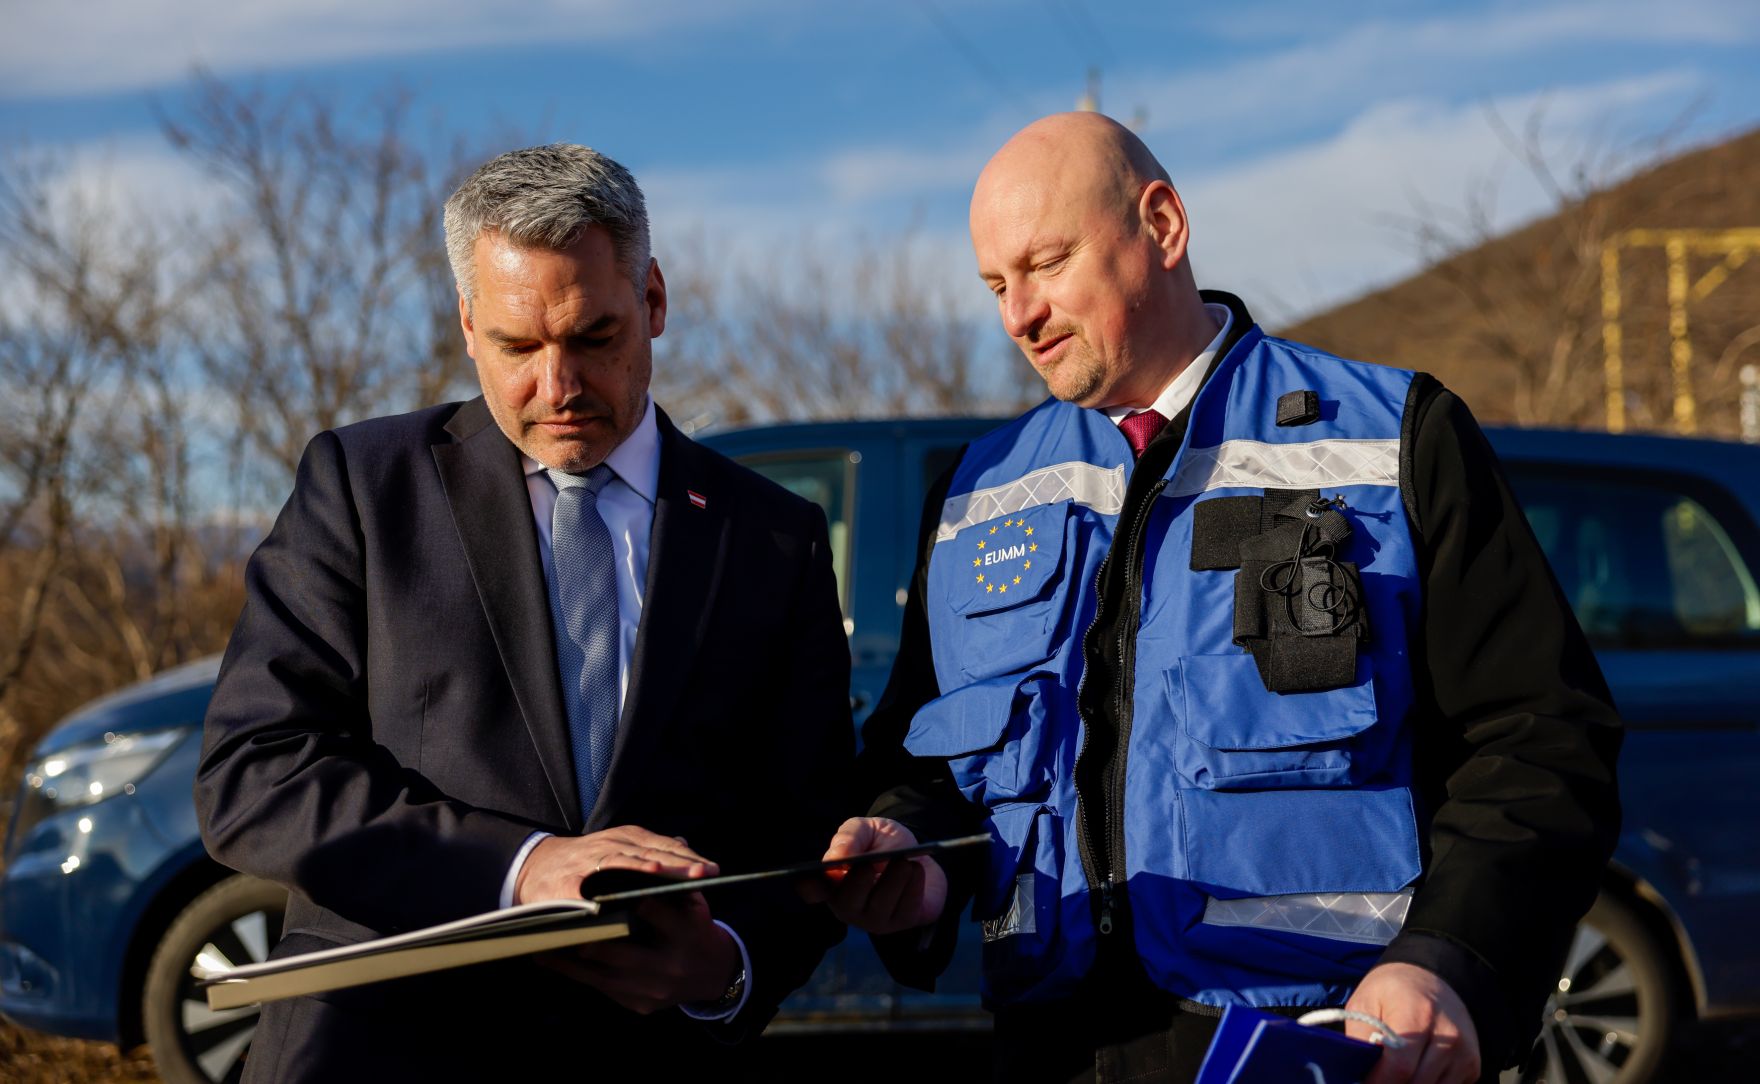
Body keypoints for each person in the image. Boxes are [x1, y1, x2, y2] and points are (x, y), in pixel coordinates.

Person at [811, 113, 1623, 1084]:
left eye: (1047, 263)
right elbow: (929, 762)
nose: (1015, 316)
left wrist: (1447, 959)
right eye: (994, 284)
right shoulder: (979, 490)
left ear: (1159, 226)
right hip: (1053, 1048)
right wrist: (913, 858)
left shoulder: (1389, 439)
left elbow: (1538, 738)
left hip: (1320, 1041)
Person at [196, 143, 853, 1081]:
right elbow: (253, 772)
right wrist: (521, 866)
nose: (559, 387)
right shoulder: (362, 488)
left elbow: (805, 817)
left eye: (594, 337)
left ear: (654, 302)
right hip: (376, 1053)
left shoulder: (774, 538)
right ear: (468, 324)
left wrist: (729, 967)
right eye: (517, 347)